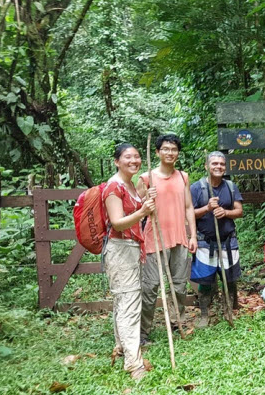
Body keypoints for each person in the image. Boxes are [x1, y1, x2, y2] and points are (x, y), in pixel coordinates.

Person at [102, 143, 156, 381]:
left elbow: (134, 207)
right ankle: (134, 364)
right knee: (130, 305)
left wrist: (145, 197)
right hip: (120, 249)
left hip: (132, 248)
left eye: (136, 157)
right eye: (127, 157)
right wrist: (143, 211)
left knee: (123, 301)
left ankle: (121, 347)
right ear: (116, 161)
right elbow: (117, 222)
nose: (134, 160)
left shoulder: (130, 185)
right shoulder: (113, 187)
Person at [136, 134, 197, 344]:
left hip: (179, 238)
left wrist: (193, 235)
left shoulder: (183, 177)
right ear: (157, 152)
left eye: (173, 149)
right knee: (150, 287)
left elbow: (189, 207)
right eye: (165, 149)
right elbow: (137, 210)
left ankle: (176, 322)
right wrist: (146, 197)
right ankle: (143, 332)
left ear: (178, 153)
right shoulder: (146, 178)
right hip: (154, 239)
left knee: (179, 286)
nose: (170, 153)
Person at [191, 151, 244, 327]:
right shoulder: (196, 188)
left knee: (229, 279)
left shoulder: (230, 186)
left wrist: (226, 212)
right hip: (206, 242)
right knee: (206, 280)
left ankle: (228, 311)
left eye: (221, 164)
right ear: (207, 166)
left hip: (228, 242)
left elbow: (239, 210)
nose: (218, 167)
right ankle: (204, 314)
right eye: (214, 164)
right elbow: (188, 214)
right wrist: (207, 208)